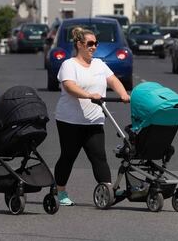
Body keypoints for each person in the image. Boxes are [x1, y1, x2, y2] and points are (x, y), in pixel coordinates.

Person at [54, 26, 130, 206]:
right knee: (68, 156)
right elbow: (70, 86)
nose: (94, 47)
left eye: (96, 43)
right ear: (79, 44)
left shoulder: (99, 64)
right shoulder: (69, 65)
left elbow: (112, 80)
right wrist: (89, 95)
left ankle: (108, 189)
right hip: (69, 121)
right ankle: (60, 191)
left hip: (95, 120)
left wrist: (123, 93)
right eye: (90, 43)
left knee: (99, 156)